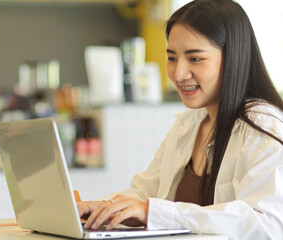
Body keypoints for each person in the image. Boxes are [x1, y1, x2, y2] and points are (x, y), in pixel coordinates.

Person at [77, 0, 283, 239]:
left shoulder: (263, 125)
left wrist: (155, 213)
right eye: (172, 58)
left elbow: (269, 224)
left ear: (234, 58)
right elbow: (145, 192)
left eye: (195, 59)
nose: (178, 73)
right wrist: (98, 207)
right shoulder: (190, 123)